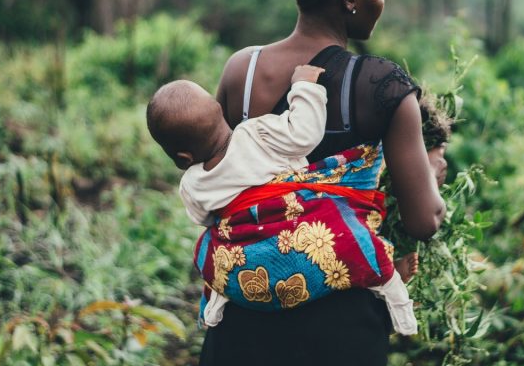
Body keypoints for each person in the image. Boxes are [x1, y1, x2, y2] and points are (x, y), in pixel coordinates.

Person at [182, 0, 446, 366]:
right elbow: (423, 221)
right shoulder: (383, 86)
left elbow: (227, 175)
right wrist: (432, 178)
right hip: (338, 331)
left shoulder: (242, 72)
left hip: (246, 307)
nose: (381, 0)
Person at [145, 67, 418, 335]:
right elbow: (304, 134)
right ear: (219, 110)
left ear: (182, 158)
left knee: (210, 248)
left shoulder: (192, 183)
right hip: (300, 235)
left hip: (249, 266)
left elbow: (205, 219)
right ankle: (394, 291)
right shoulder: (255, 133)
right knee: (351, 238)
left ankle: (216, 303)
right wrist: (304, 86)